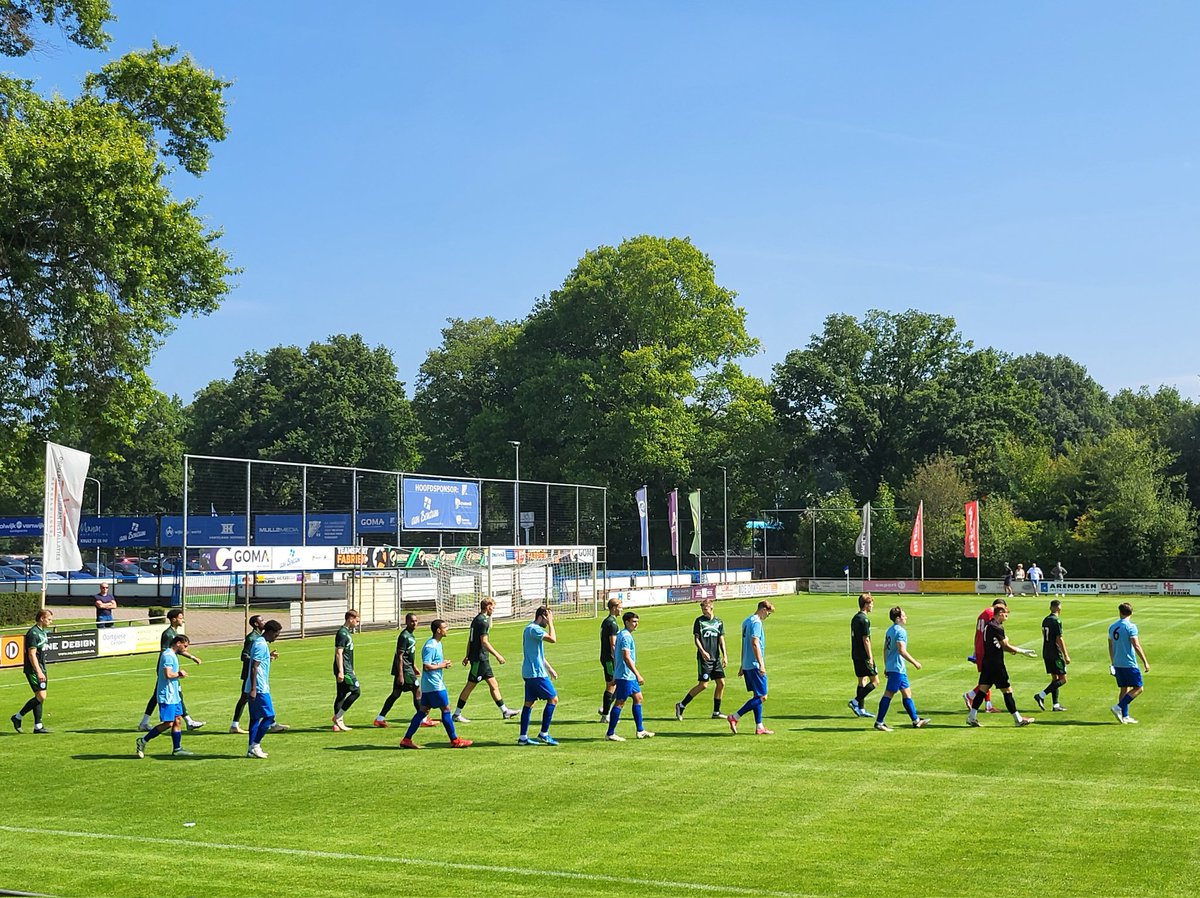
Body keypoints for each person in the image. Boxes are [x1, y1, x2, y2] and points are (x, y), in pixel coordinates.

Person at [399, 620, 472, 749]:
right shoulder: (431, 646)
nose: (447, 629)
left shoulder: (437, 644)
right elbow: (426, 666)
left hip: (429, 685)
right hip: (434, 685)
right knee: (446, 710)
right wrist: (442, 665)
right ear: (438, 630)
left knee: (422, 711)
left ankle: (406, 739)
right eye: (445, 627)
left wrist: (442, 663)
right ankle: (455, 740)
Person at [966, 605, 1036, 727]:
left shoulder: (989, 625)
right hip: (996, 665)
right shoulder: (997, 627)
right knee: (1007, 691)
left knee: (982, 690)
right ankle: (1018, 719)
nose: (1007, 615)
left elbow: (996, 645)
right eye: (1005, 613)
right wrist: (1022, 651)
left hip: (987, 663)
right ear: (999, 613)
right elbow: (1005, 646)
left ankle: (971, 717)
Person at [452, 598, 519, 723]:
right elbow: (484, 642)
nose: (494, 609)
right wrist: (497, 655)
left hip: (481, 659)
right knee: (470, 686)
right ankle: (456, 713)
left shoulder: (477, 619)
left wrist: (467, 655)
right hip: (479, 659)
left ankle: (505, 711)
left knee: (494, 684)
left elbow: (470, 639)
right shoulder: (483, 622)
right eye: (493, 607)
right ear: (488, 606)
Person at [139, 609, 205, 732]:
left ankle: (144, 722)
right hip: (165, 669)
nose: (182, 620)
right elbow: (166, 652)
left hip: (168, 668)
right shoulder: (168, 634)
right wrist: (171, 668)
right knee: (175, 694)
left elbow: (179, 650)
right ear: (174, 619)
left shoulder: (174, 632)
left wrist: (192, 657)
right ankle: (189, 721)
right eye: (181, 617)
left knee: (158, 695)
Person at [136, 634, 194, 758]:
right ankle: (143, 741)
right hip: (167, 694)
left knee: (178, 719)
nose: (185, 649)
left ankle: (177, 748)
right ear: (178, 643)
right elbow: (168, 674)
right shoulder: (168, 656)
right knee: (168, 723)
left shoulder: (172, 654)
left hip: (174, 694)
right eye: (185, 646)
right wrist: (179, 673)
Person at [873, 606, 930, 732]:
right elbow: (901, 650)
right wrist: (915, 662)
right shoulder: (900, 631)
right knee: (889, 693)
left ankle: (916, 721)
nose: (906, 617)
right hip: (897, 668)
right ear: (898, 618)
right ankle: (879, 722)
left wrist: (886, 665)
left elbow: (885, 649)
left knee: (907, 693)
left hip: (895, 667)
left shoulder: (890, 630)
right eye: (904, 616)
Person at [374, 614, 436, 729]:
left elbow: (409, 655)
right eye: (412, 621)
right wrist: (401, 675)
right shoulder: (404, 636)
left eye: (416, 621)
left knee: (395, 694)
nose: (414, 623)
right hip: (404, 670)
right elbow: (400, 656)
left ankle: (379, 719)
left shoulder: (411, 636)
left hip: (408, 668)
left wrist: (414, 666)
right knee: (417, 691)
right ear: (406, 622)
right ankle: (423, 719)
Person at [230, 615, 288, 734]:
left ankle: (270, 724)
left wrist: (267, 657)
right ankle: (237, 725)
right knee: (247, 699)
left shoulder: (261, 639)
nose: (264, 622)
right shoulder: (253, 638)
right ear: (256, 624)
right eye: (261, 621)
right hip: (251, 674)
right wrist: (257, 662)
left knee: (249, 701)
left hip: (255, 673)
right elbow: (244, 656)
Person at [675, 598, 728, 721]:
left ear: (711, 608)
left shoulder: (719, 622)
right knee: (703, 685)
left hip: (716, 658)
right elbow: (696, 639)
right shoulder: (699, 621)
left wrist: (725, 655)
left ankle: (716, 711)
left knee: (721, 683)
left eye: (706, 609)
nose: (704, 611)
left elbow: (721, 639)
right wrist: (703, 652)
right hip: (704, 658)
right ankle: (681, 705)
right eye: (702, 609)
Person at [727, 601, 775, 736]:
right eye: (768, 613)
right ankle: (735, 717)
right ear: (763, 610)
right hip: (754, 664)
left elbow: (744, 643)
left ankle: (759, 726)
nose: (767, 616)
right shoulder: (756, 623)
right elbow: (754, 643)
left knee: (756, 695)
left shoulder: (746, 621)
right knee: (763, 696)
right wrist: (761, 664)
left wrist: (742, 664)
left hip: (747, 664)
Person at [606, 611, 654, 741]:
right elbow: (626, 657)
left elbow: (617, 656)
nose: (636, 624)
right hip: (626, 676)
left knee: (638, 698)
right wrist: (637, 674)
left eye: (637, 622)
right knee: (620, 702)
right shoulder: (626, 637)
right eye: (633, 622)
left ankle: (640, 730)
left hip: (627, 676)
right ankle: (610, 733)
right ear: (626, 622)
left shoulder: (622, 634)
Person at [517, 606, 560, 745]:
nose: (547, 623)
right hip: (536, 674)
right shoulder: (534, 629)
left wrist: (550, 669)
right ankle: (544, 734)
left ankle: (523, 738)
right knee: (553, 699)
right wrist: (551, 623)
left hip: (530, 672)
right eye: (547, 619)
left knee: (529, 703)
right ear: (542, 616)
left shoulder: (529, 628)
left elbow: (537, 654)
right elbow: (553, 639)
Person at [245, 619, 284, 758]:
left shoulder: (261, 644)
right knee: (269, 716)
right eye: (276, 635)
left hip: (256, 685)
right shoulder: (261, 645)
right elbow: (254, 667)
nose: (276, 637)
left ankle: (251, 749)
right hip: (259, 687)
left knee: (255, 718)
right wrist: (254, 689)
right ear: (270, 632)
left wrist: (269, 656)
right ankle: (256, 744)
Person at [11, 608, 53, 734]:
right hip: (34, 669)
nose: (51, 621)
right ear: (42, 618)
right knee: (41, 695)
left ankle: (38, 726)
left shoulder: (42, 632)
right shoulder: (33, 633)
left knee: (40, 696)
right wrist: (39, 671)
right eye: (49, 619)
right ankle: (18, 717)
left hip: (41, 667)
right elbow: (31, 654)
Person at [1108, 603, 1150, 725]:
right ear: (1131, 613)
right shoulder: (1131, 627)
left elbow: (1110, 645)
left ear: (1120, 612)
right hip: (1129, 663)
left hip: (1118, 662)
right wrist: (1145, 661)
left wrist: (1113, 661)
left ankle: (1125, 716)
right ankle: (1118, 707)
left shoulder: (1112, 627)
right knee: (1138, 688)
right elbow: (1136, 645)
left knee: (1124, 688)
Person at [963, 599, 1006, 713]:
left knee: (987, 676)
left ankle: (987, 705)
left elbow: (979, 632)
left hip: (980, 646)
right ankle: (970, 695)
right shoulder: (991, 614)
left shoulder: (984, 613)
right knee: (989, 676)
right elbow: (992, 632)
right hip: (986, 648)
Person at [1034, 599, 1070, 712]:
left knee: (1055, 678)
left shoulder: (1045, 620)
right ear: (1059, 608)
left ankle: (1055, 704)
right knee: (1063, 679)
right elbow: (1059, 638)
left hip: (1046, 651)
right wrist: (1066, 655)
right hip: (1055, 652)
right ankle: (1041, 695)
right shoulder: (1056, 621)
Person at [847, 593, 877, 719]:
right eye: (871, 603)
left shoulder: (855, 617)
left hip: (855, 654)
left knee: (862, 681)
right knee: (875, 681)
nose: (873, 606)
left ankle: (861, 709)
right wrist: (870, 657)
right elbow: (866, 639)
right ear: (866, 605)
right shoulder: (864, 620)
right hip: (864, 655)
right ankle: (855, 701)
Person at [332, 610, 361, 731]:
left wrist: (352, 668)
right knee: (356, 691)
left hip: (347, 668)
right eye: (357, 621)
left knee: (341, 695)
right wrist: (341, 671)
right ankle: (338, 718)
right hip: (344, 669)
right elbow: (339, 653)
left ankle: (337, 723)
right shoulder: (342, 634)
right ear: (351, 618)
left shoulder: (346, 633)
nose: (358, 623)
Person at [598, 597, 622, 722]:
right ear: (614, 608)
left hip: (605, 657)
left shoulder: (607, 621)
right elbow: (613, 644)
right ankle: (606, 715)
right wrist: (617, 659)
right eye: (620, 607)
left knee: (615, 684)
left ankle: (605, 709)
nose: (621, 609)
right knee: (611, 684)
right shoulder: (612, 623)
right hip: (609, 659)